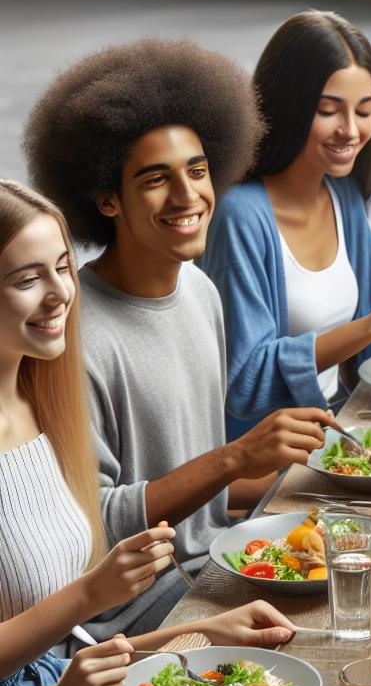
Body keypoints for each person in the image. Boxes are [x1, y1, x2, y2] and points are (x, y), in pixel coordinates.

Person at [0, 180, 299, 686]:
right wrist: (87, 608)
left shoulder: (40, 401)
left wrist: (199, 632)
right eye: (28, 278)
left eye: (61, 267)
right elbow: (57, 665)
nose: (60, 292)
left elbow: (66, 657)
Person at [22, 39, 337, 638]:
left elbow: (201, 488)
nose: (188, 195)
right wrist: (236, 457)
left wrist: (310, 476)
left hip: (216, 566)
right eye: (156, 180)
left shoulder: (200, 291)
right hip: (137, 616)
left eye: (197, 170)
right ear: (107, 199)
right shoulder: (72, 337)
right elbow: (94, 522)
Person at [201, 12, 371, 438]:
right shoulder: (240, 215)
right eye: (329, 111)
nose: (351, 130)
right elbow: (243, 382)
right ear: (286, 108)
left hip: (340, 427)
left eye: (365, 111)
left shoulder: (342, 194)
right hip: (269, 454)